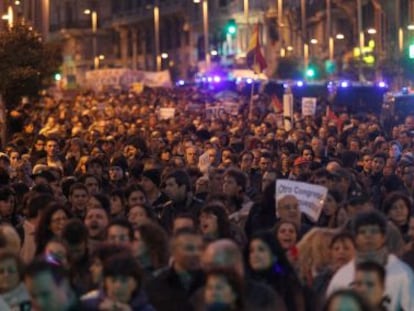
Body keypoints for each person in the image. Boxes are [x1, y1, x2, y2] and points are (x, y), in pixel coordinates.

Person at [327, 211, 414, 311]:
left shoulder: (403, 274)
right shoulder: (342, 276)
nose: (368, 236)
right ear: (355, 238)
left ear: (383, 237)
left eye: (374, 231)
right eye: (362, 232)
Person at [195, 239, 287, 311]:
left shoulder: (265, 296)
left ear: (236, 265)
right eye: (206, 265)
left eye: (213, 265)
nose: (207, 270)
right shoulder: (199, 297)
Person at [146, 228, 204, 311]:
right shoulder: (156, 285)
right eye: (189, 248)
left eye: (200, 248)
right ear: (173, 251)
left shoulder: (210, 282)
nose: (196, 253)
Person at [82, 253, 155, 311]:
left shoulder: (147, 309)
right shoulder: (87, 305)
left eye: (124, 280)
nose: (118, 286)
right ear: (105, 282)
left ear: (136, 283)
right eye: (113, 280)